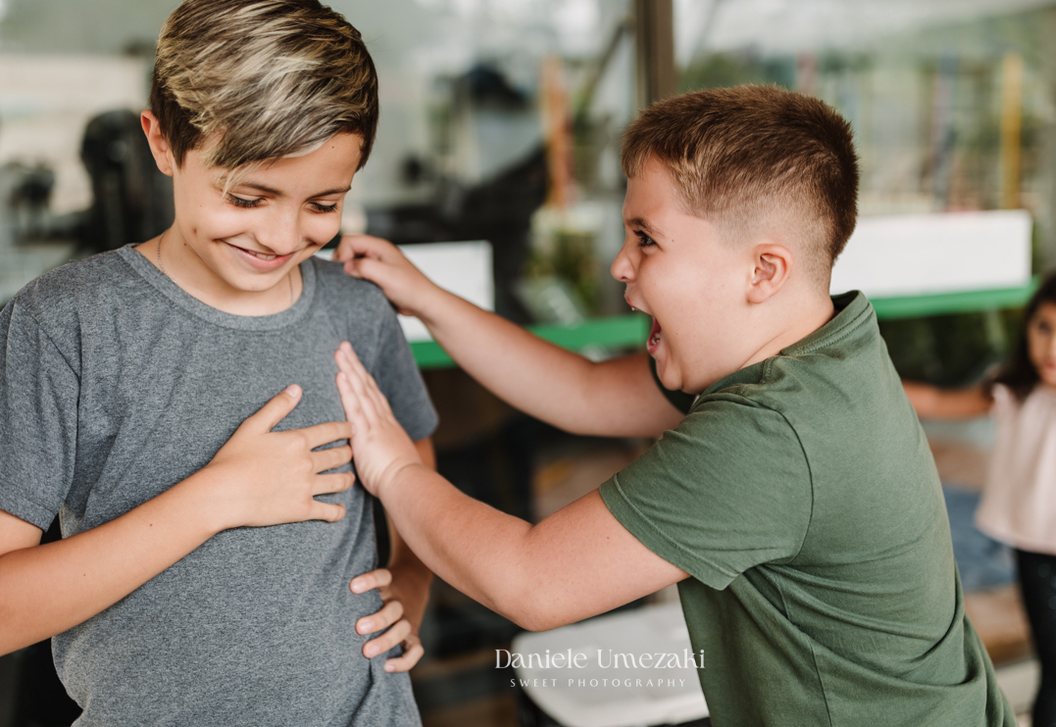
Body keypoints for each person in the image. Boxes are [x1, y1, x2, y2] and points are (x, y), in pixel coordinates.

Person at [331, 85, 1016, 726]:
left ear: (763, 271)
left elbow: (530, 582)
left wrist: (395, 472)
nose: (620, 265)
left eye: (647, 238)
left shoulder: (773, 433)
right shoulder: (817, 348)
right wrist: (424, 297)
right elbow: (583, 392)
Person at [0, 0, 438, 726]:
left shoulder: (356, 312)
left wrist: (412, 581)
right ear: (162, 143)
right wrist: (218, 498)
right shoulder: (63, 325)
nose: (281, 236)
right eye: (248, 197)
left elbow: (421, 481)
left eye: (323, 204)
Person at [903, 270, 1056, 727]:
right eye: (1044, 328)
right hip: (1038, 550)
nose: (1054, 346)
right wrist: (876, 378)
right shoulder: (1014, 389)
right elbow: (940, 401)